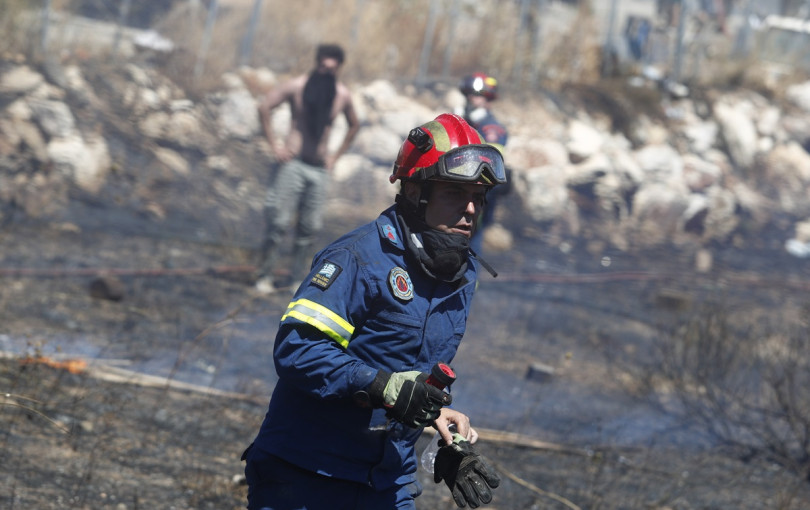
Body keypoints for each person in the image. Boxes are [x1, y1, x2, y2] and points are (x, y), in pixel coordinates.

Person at [242, 113, 504, 509]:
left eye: (478, 198)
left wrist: (439, 426)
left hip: (387, 482)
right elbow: (297, 349)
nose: (470, 209)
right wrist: (384, 386)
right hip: (307, 475)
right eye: (455, 193)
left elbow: (408, 375)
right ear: (417, 192)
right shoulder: (359, 259)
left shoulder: (458, 277)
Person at [255, 43, 360, 294]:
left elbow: (355, 124)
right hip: (292, 163)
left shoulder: (342, 95)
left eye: (332, 68)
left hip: (319, 170)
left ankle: (295, 279)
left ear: (339, 69)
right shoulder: (298, 86)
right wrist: (275, 145)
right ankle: (264, 275)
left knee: (309, 228)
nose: (326, 70)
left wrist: (336, 156)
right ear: (317, 62)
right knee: (278, 222)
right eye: (323, 65)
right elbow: (264, 106)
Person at [458, 72, 511, 255]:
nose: (471, 99)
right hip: (459, 193)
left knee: (470, 245)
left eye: (477, 95)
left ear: (488, 99)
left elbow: (489, 164)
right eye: (468, 94)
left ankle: (469, 282)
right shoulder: (465, 122)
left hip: (479, 195)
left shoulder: (491, 128)